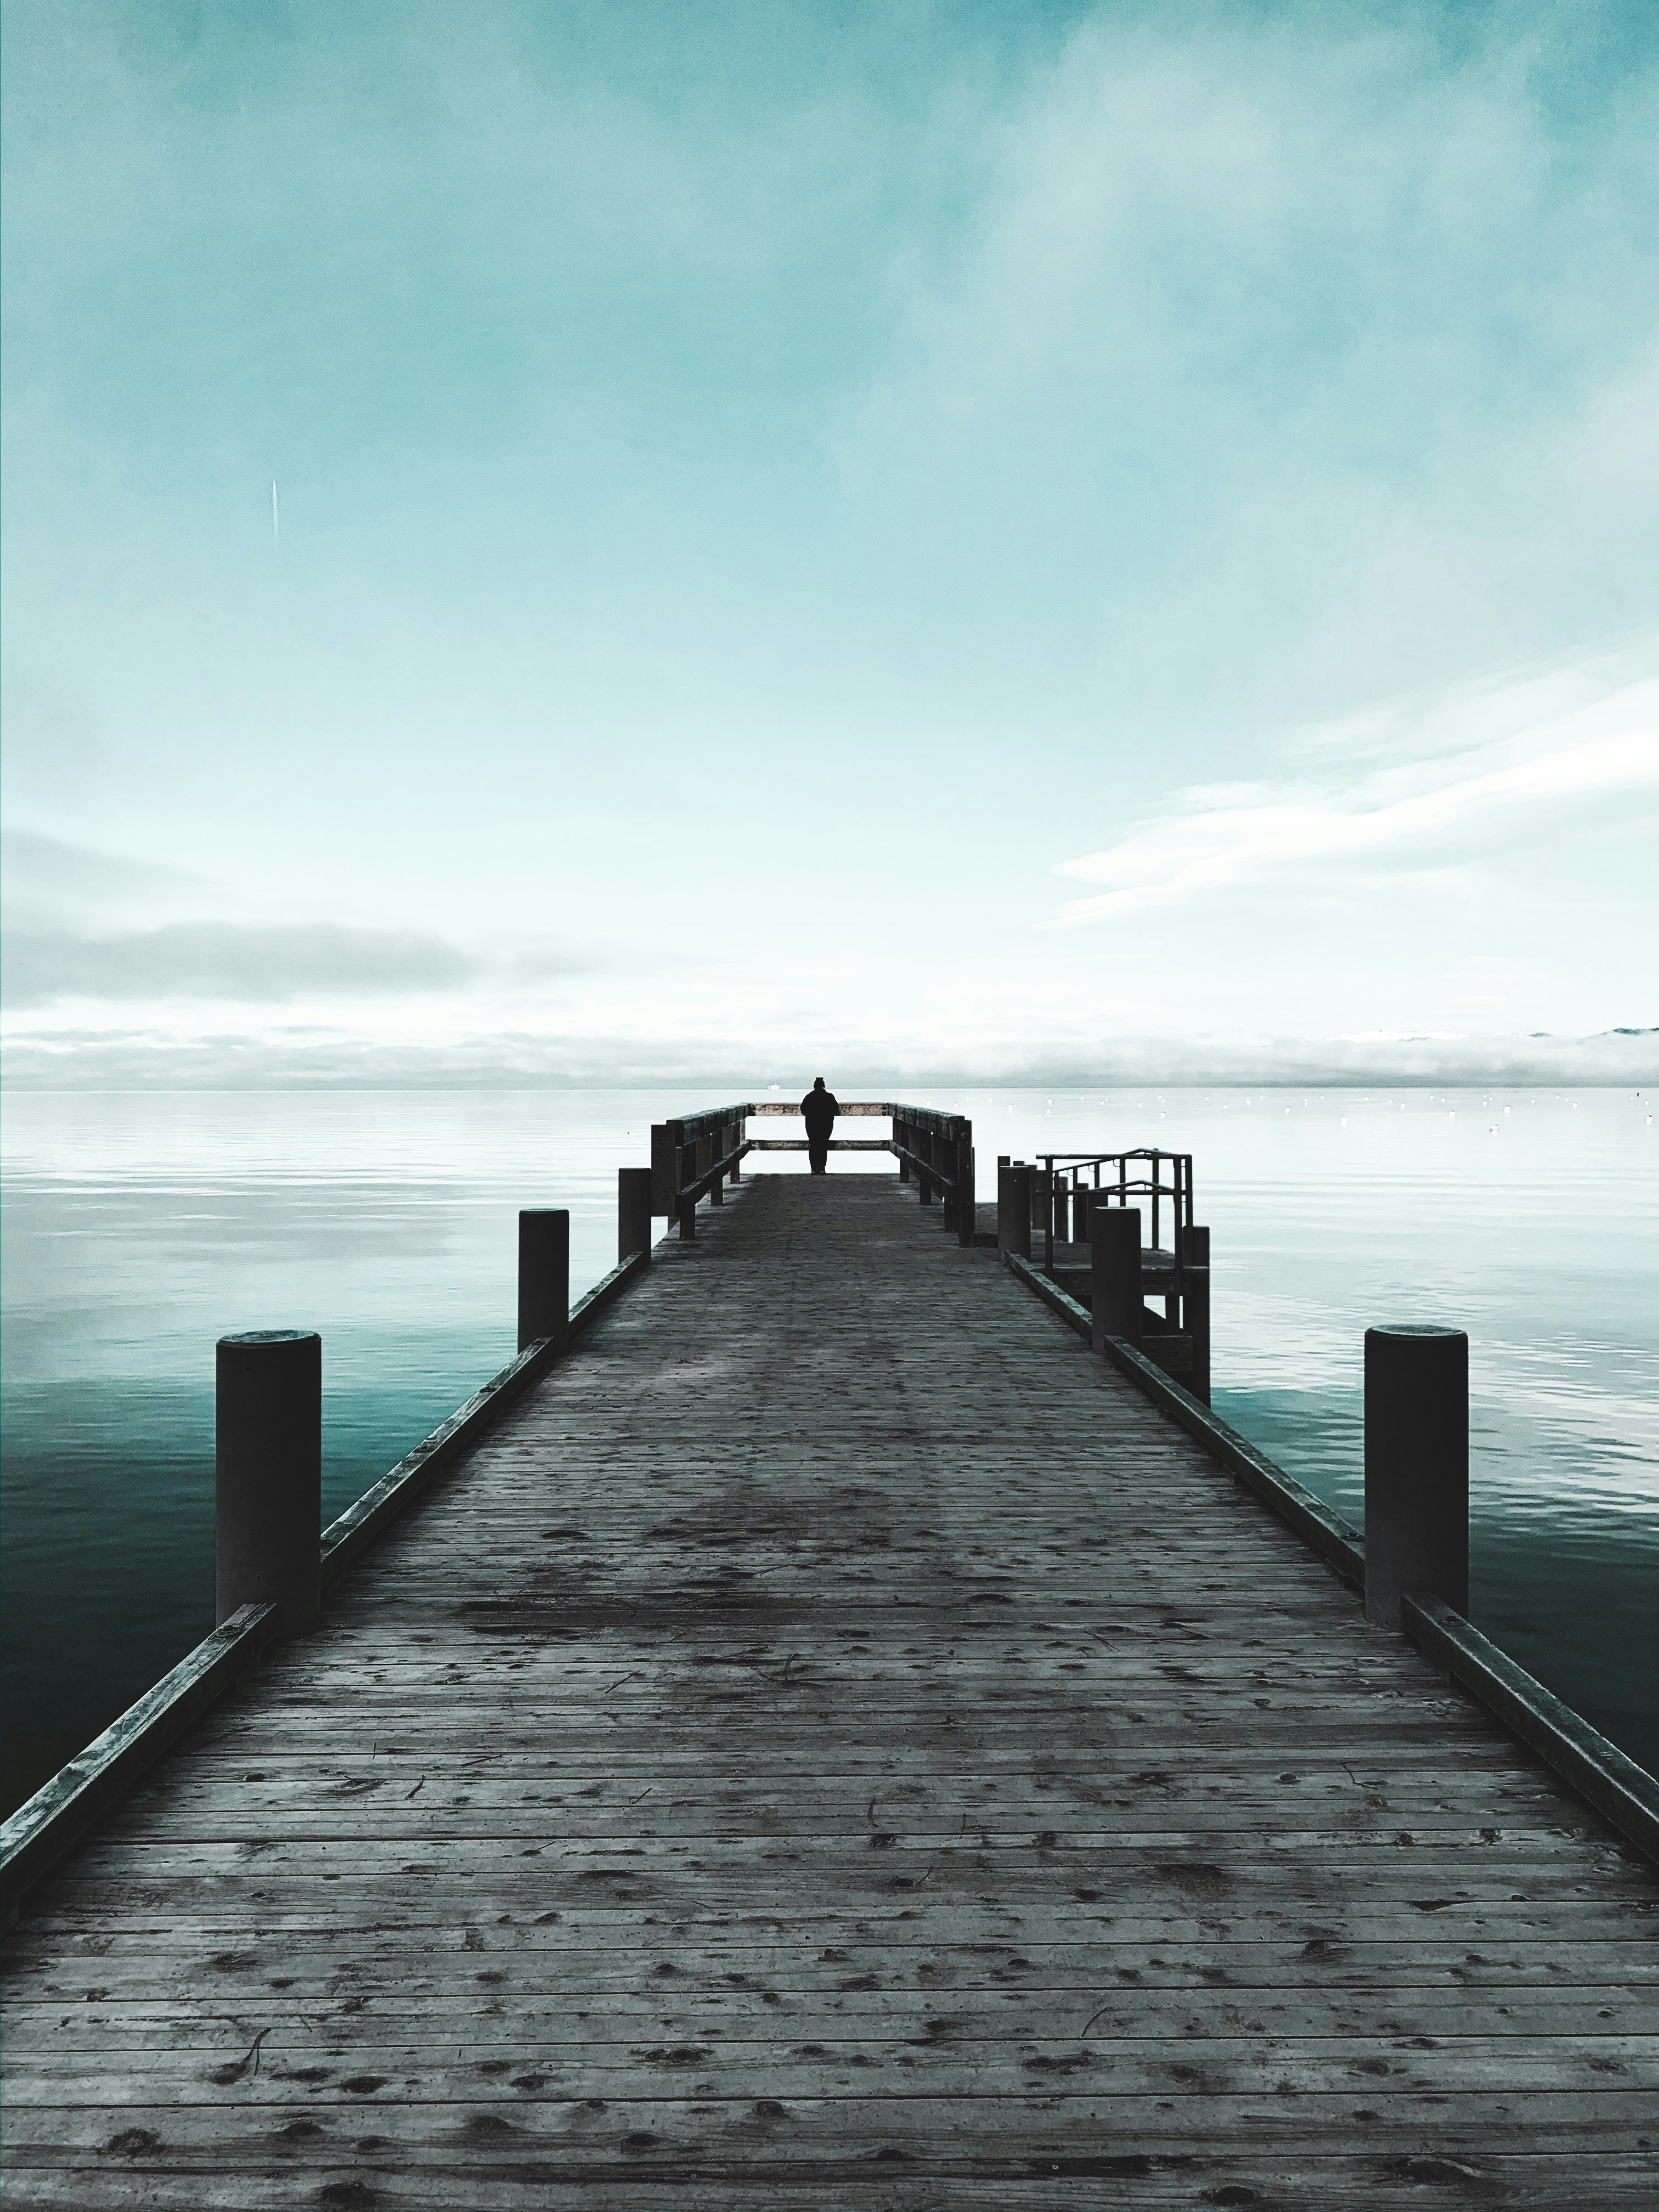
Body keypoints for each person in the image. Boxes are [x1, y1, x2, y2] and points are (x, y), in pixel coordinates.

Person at [801, 1076, 839, 1173]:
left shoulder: (809, 1096)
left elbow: (803, 1109)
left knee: (813, 1145)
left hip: (812, 1124)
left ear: (814, 1085)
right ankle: (822, 1168)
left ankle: (813, 1169)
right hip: (826, 1125)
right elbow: (836, 1109)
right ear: (824, 1086)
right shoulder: (830, 1097)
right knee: (823, 1145)